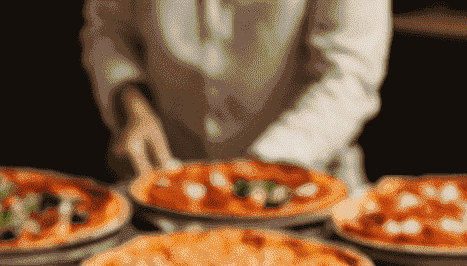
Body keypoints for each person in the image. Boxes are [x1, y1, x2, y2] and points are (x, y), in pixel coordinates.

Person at [81, 0, 391, 188]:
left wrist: (262, 165)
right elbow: (108, 29)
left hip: (305, 183)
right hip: (162, 182)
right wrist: (133, 105)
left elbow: (348, 75)